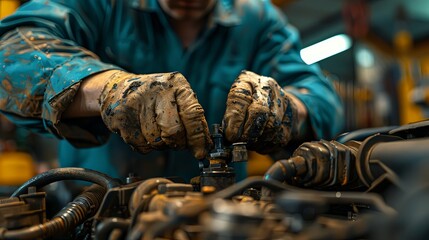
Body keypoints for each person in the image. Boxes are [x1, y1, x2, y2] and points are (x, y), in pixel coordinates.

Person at [0, 0, 344, 182]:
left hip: (220, 215)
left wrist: (289, 108)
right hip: (96, 207)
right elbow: (10, 52)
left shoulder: (258, 19)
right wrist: (108, 89)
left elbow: (322, 98)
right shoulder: (101, 4)